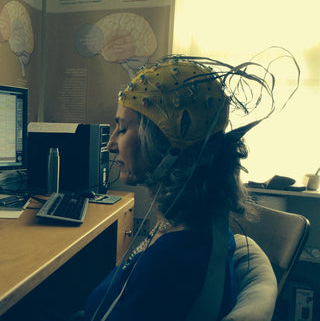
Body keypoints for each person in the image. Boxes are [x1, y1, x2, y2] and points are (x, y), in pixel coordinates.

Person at [80, 53, 294, 321]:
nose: (111, 144)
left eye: (122, 129)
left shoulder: (171, 264)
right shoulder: (204, 229)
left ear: (160, 143)